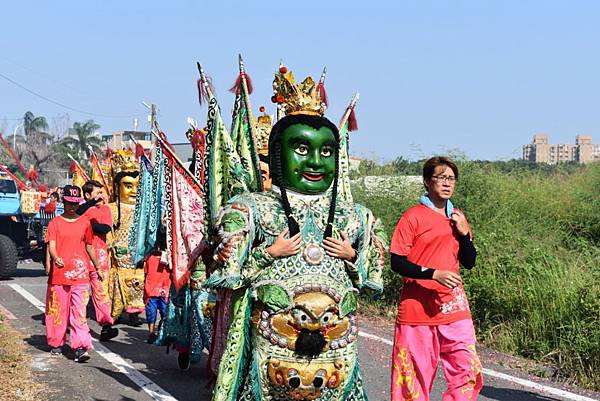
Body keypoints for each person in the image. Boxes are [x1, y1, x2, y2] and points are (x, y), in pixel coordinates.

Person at [207, 66, 387, 401]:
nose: (316, 162)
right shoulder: (249, 209)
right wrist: (267, 254)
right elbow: (227, 275)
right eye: (302, 150)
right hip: (275, 342)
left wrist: (352, 258)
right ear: (278, 156)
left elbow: (372, 281)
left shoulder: (357, 217)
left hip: (337, 345)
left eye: (327, 151)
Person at [389, 156, 483, 401]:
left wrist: (463, 234)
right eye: (441, 177)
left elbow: (470, 261)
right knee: (411, 381)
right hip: (417, 309)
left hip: (454, 307)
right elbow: (397, 262)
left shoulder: (458, 217)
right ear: (427, 182)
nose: (447, 183)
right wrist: (433, 274)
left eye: (451, 178)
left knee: (467, 371)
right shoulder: (412, 217)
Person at [45, 185, 100, 363]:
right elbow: (51, 245)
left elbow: (89, 246)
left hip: (80, 275)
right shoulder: (54, 223)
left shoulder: (85, 223)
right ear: (63, 201)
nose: (72, 207)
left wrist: (98, 267)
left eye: (75, 204)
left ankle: (81, 347)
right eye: (69, 203)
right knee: (57, 310)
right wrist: (55, 258)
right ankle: (56, 343)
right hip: (59, 275)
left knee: (79, 312)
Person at [107, 149, 144, 326]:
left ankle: (134, 313)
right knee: (118, 282)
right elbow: (108, 232)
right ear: (117, 187)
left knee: (137, 282)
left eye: (137, 186)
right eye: (128, 186)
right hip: (118, 254)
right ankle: (115, 313)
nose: (134, 190)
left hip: (137, 253)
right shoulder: (112, 209)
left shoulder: (144, 209)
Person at [78, 180, 119, 341]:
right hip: (81, 257)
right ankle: (78, 326)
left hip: (100, 258)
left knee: (100, 293)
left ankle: (106, 326)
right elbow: (77, 215)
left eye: (101, 193)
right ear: (88, 195)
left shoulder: (105, 210)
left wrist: (88, 224)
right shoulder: (82, 209)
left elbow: (106, 228)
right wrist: (90, 211)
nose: (101, 196)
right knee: (80, 294)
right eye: (97, 193)